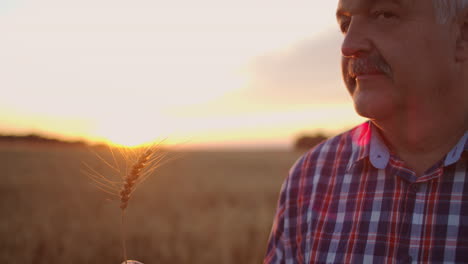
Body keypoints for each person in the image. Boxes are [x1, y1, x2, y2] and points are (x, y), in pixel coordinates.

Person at [264, 0, 468, 263]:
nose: (348, 46)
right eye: (345, 24)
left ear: (462, 34)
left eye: (384, 14)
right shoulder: (310, 178)